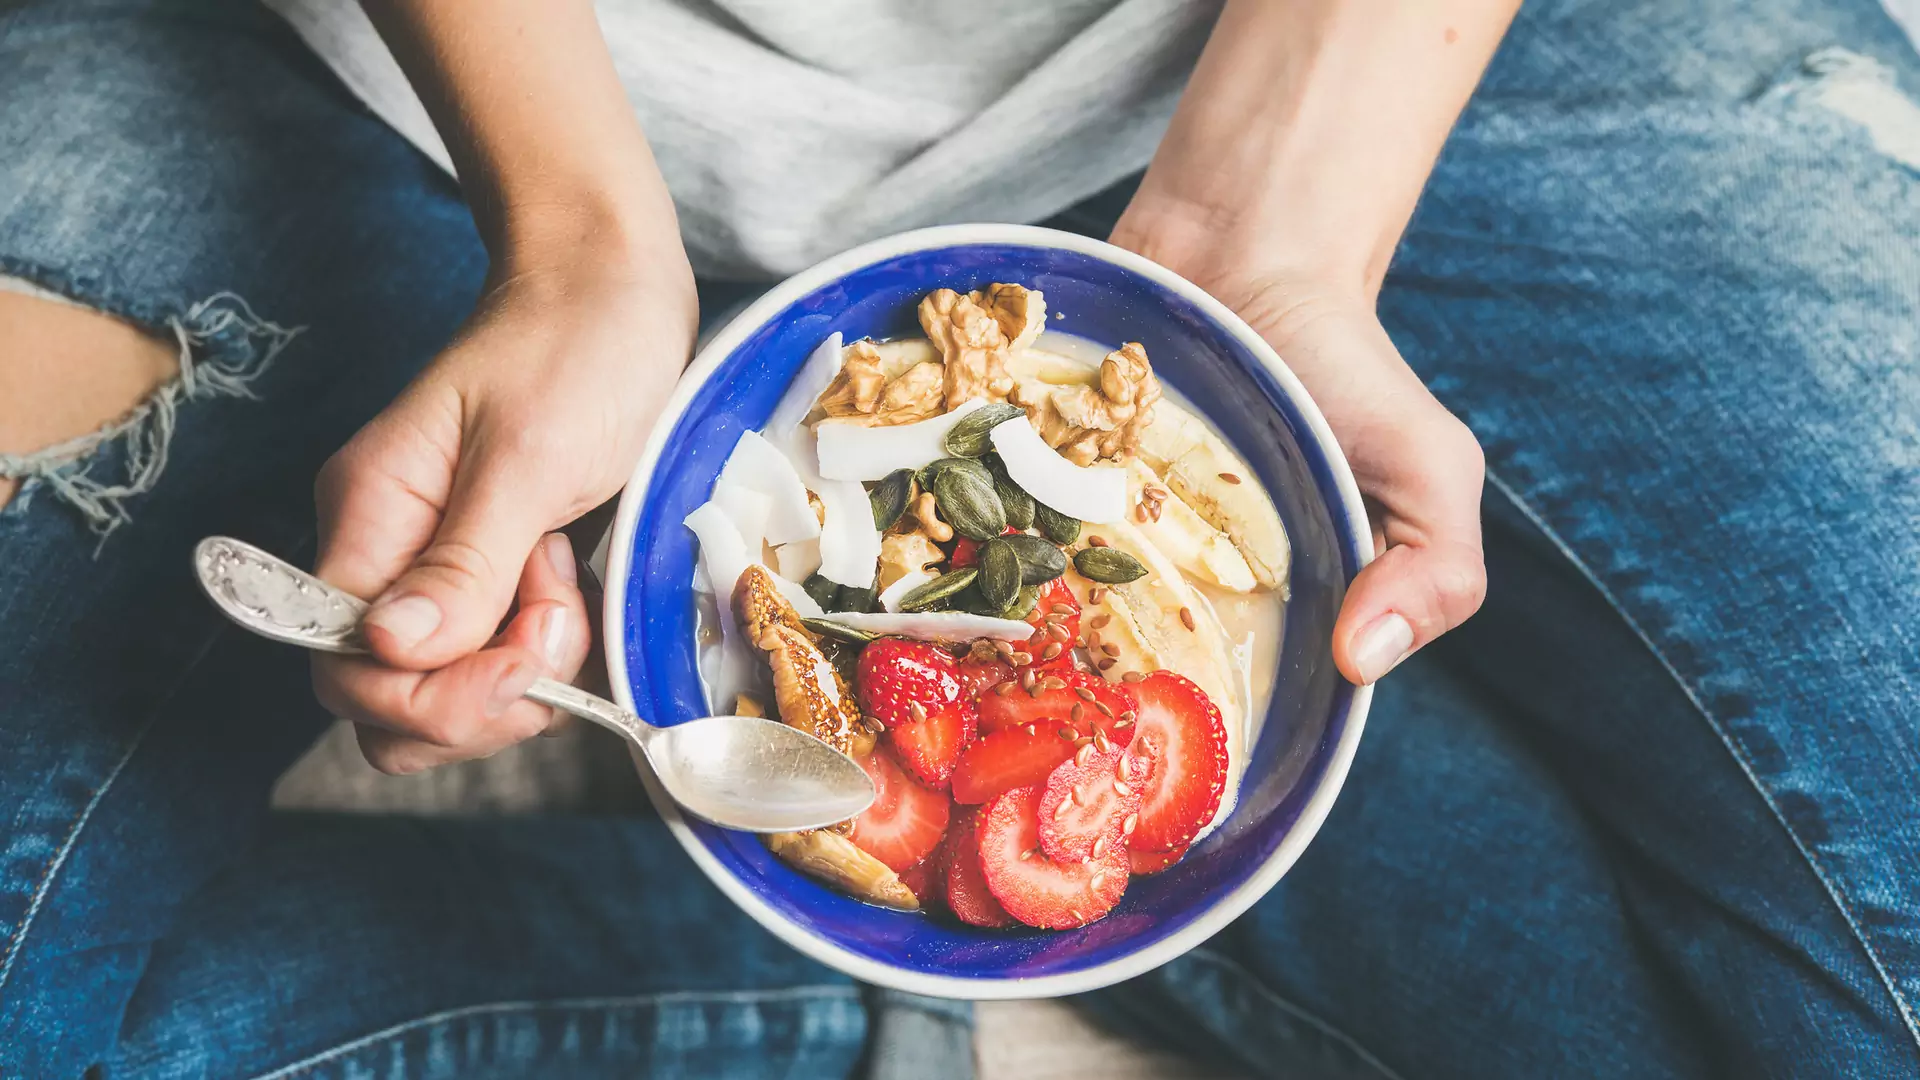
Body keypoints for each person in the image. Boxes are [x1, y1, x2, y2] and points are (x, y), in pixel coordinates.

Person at [1, 0, 1916, 1075]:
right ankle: (877, 1008)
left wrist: (1279, 214)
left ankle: (1161, 873)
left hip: (1391, 67)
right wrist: (574, 226)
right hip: (390, 81)